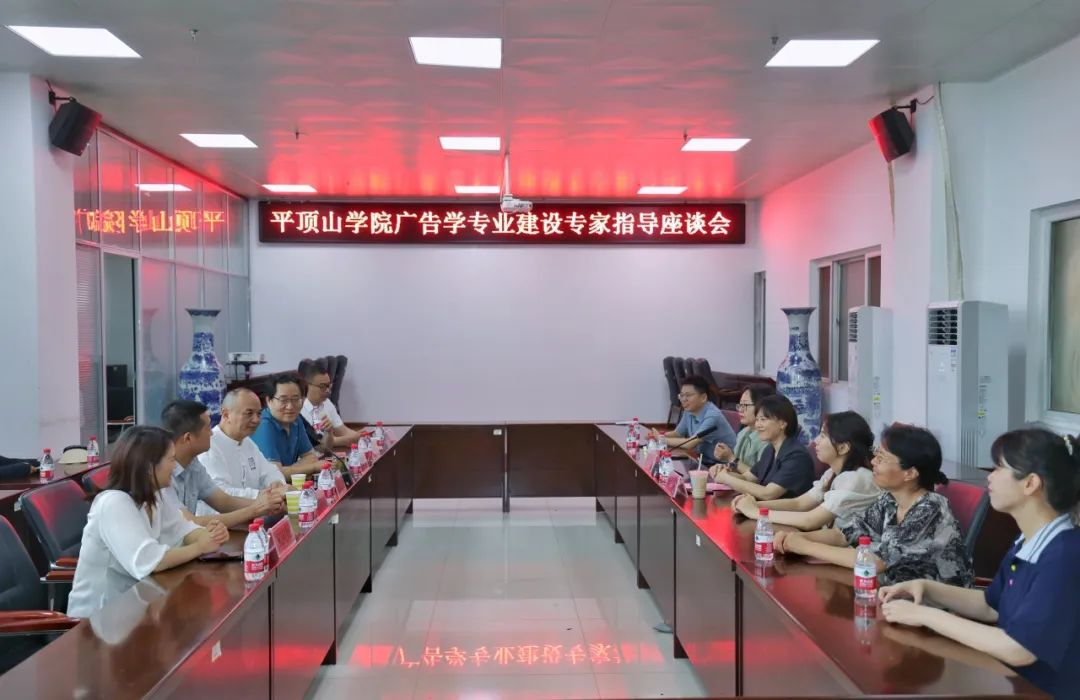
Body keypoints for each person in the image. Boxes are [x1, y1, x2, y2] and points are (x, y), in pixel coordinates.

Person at [879, 429, 1080, 699]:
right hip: (1010, 683)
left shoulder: (1065, 555)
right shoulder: (1029, 540)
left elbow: (1019, 649)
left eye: (998, 468)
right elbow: (990, 606)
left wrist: (923, 615)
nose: (989, 476)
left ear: (1030, 483)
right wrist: (927, 588)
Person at [773, 423, 972, 587]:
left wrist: (805, 546)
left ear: (910, 473)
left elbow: (875, 561)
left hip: (933, 610)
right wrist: (794, 538)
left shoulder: (930, 509)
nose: (873, 461)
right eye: (876, 454)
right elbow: (844, 534)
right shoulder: (890, 500)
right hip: (893, 597)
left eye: (882, 458)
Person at [67, 427, 229, 618]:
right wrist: (200, 547)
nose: (175, 467)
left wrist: (210, 535)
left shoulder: (156, 495)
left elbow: (184, 529)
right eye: (171, 460)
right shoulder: (113, 503)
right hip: (98, 620)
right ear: (149, 467)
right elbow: (151, 562)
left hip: (138, 608)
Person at [732, 411, 879, 531]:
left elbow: (809, 520)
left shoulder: (857, 479)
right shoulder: (832, 473)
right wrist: (754, 504)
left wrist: (754, 512)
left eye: (823, 436)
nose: (816, 441)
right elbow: (799, 504)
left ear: (843, 448)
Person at [160, 399, 284, 527]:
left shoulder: (193, 464)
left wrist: (268, 503)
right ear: (188, 438)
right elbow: (189, 523)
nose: (212, 433)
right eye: (207, 428)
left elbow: (223, 501)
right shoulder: (161, 474)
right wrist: (254, 510)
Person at [197, 388, 288, 516]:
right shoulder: (209, 446)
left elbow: (270, 471)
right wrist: (262, 495)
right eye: (249, 413)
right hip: (219, 523)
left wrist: (276, 483)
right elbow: (220, 494)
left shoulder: (247, 442)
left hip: (254, 517)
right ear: (226, 414)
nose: (256, 420)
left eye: (259, 414)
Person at [710, 394, 814, 499]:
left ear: (782, 423)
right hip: (761, 507)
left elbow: (768, 494)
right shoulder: (770, 450)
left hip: (783, 509)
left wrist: (726, 479)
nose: (758, 425)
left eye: (763, 419)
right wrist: (724, 472)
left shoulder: (796, 456)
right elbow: (747, 478)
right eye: (757, 420)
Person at [649, 375, 737, 466]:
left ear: (703, 398)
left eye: (688, 395)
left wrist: (661, 439)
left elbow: (690, 443)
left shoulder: (713, 416)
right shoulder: (689, 410)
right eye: (682, 395)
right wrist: (659, 435)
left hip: (725, 465)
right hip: (704, 460)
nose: (683, 399)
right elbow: (678, 433)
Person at [251, 376, 323, 478]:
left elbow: (311, 456)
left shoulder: (296, 419)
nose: (290, 406)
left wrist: (288, 471)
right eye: (283, 400)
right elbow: (274, 475)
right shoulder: (263, 425)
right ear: (269, 401)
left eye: (295, 399)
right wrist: (313, 468)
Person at [711, 385, 775, 478]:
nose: (740, 410)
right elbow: (738, 469)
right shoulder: (743, 432)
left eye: (745, 405)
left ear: (762, 407)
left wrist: (731, 458)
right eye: (740, 405)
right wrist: (725, 468)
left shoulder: (768, 438)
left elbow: (759, 478)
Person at [300, 361, 366, 449]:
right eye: (322, 386)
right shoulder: (299, 409)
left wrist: (360, 436)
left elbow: (342, 430)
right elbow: (318, 443)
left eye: (329, 386)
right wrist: (350, 439)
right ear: (308, 386)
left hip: (327, 453)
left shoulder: (327, 403)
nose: (328, 391)